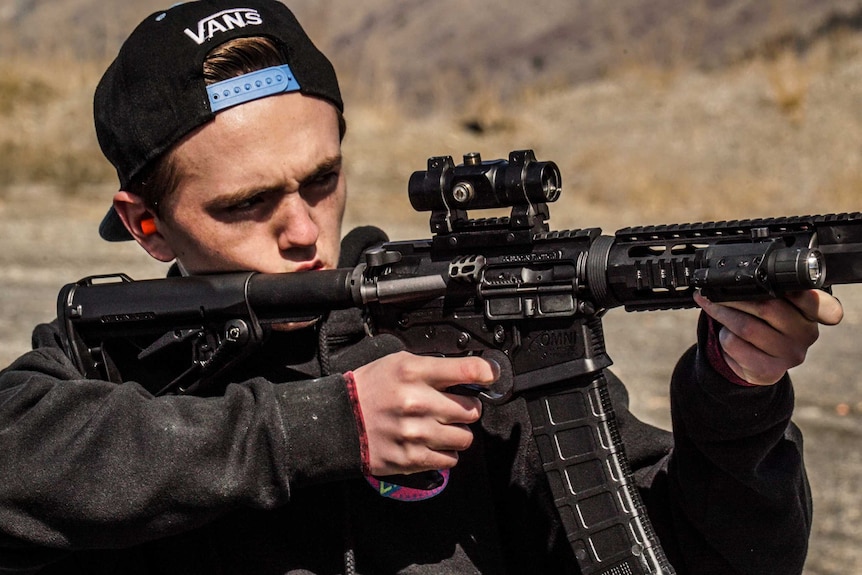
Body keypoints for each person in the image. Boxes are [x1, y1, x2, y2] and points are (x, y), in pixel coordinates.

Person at [0, 1, 844, 574]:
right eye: (247, 203)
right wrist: (326, 427)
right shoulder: (110, 361)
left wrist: (737, 396)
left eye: (321, 179)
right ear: (145, 225)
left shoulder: (454, 330)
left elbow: (707, 557)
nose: (302, 229)